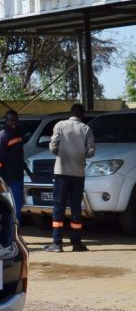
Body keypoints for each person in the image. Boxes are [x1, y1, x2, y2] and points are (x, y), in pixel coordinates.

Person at [44, 104, 95, 252]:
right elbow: (91, 151)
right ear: (82, 115)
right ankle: (77, 243)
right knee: (76, 209)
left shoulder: (60, 125)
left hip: (62, 172)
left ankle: (57, 243)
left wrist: (63, 153)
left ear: (70, 113)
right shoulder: (86, 129)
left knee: (59, 207)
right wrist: (80, 155)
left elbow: (53, 147)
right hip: (78, 174)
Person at [0, 110, 28, 224]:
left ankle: (15, 233)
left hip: (17, 176)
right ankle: (13, 236)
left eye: (16, 120)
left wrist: (28, 171)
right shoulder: (2, 136)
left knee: (19, 205)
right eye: (11, 120)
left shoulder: (17, 133)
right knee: (13, 207)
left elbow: (18, 157)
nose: (14, 123)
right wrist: (0, 181)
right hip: (8, 179)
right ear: (6, 121)